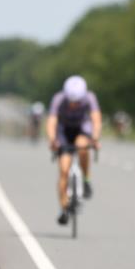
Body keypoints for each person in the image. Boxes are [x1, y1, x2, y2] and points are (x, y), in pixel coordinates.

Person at [46, 76, 101, 225]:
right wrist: (52, 140)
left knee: (82, 147)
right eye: (70, 102)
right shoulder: (58, 99)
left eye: (76, 102)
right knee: (63, 170)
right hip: (64, 131)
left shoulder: (90, 98)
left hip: (82, 128)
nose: (73, 105)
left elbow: (96, 119)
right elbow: (52, 121)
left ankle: (86, 179)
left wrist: (95, 138)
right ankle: (64, 208)